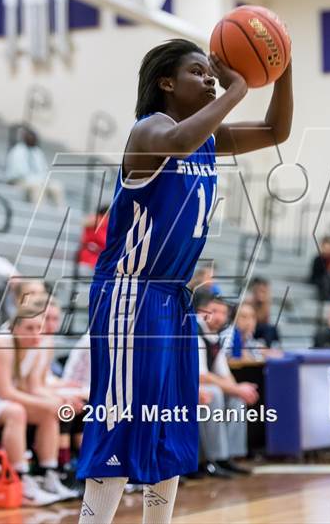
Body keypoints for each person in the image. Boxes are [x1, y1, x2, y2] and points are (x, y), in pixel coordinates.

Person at [76, 39, 293, 524]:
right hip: (129, 294)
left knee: (171, 424)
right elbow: (179, 143)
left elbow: (278, 129)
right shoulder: (151, 130)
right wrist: (237, 87)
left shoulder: (209, 139)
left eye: (210, 72)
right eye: (199, 71)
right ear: (166, 83)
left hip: (172, 298)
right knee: (121, 422)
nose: (210, 76)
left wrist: (283, 68)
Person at [0, 305, 77, 506]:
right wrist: (49, 403)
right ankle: (21, 481)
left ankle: (48, 476)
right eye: (29, 328)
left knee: (47, 414)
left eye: (38, 327)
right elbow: (7, 392)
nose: (35, 333)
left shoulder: (39, 345)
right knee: (16, 412)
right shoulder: (1, 343)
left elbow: (32, 388)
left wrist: (55, 401)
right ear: (14, 328)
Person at [196, 296, 259, 478]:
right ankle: (214, 458)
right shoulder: (194, 333)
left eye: (224, 313)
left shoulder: (214, 337)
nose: (220, 317)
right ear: (202, 313)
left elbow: (223, 373)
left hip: (201, 386)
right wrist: (236, 389)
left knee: (236, 396)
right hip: (183, 388)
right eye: (214, 311)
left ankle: (229, 456)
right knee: (214, 393)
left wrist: (239, 390)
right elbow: (201, 375)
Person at [5, 127, 65, 207]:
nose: (32, 139)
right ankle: (39, 212)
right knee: (38, 186)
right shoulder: (17, 151)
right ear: (25, 138)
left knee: (57, 186)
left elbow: (43, 169)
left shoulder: (37, 152)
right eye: (29, 138)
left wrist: (43, 180)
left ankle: (61, 214)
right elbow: (19, 172)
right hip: (19, 181)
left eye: (33, 138)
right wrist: (38, 180)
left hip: (38, 180)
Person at [248, 277, 281, 348]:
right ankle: (268, 349)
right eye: (260, 291)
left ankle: (277, 348)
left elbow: (266, 321)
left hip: (261, 330)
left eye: (264, 292)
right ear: (255, 291)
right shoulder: (249, 303)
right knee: (269, 329)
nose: (262, 294)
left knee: (273, 329)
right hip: (250, 329)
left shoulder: (266, 304)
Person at [76, 209, 110, 276]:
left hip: (101, 258)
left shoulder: (108, 225)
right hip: (89, 256)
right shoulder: (97, 219)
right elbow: (84, 222)